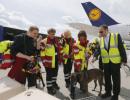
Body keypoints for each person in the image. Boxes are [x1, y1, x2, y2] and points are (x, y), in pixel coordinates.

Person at [97, 25, 127, 100]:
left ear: (106, 30)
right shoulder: (100, 39)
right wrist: (95, 57)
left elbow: (121, 48)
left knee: (116, 79)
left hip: (115, 62)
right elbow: (100, 50)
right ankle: (108, 92)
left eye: (101, 31)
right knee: (107, 79)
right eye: (99, 32)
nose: (100, 33)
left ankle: (115, 95)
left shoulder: (116, 36)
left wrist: (124, 60)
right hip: (106, 62)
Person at [40, 28, 62, 95]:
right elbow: (42, 53)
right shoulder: (44, 41)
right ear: (48, 33)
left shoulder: (56, 40)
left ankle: (54, 83)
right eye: (51, 34)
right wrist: (44, 62)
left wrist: (60, 59)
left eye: (54, 34)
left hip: (55, 60)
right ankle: (49, 88)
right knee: (49, 75)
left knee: (55, 73)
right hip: (48, 61)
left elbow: (59, 49)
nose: (53, 35)